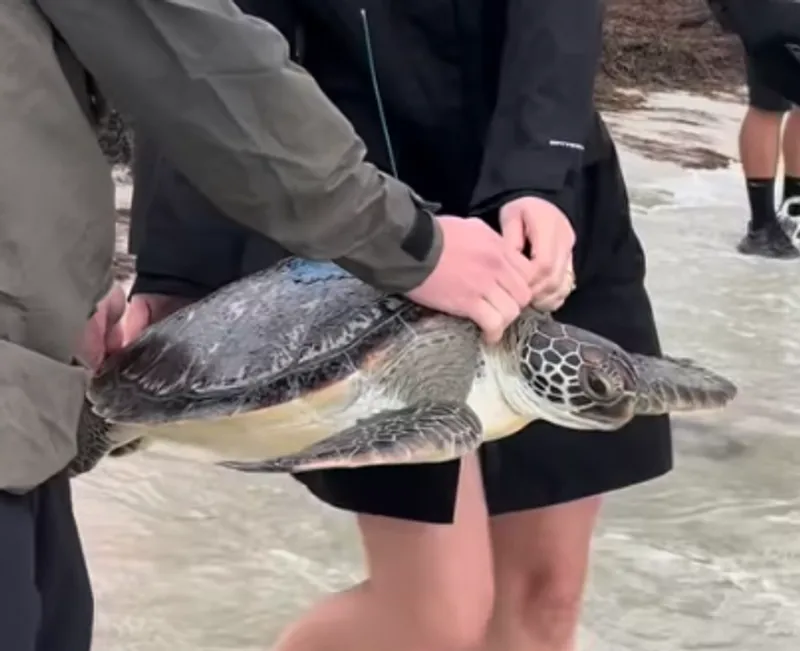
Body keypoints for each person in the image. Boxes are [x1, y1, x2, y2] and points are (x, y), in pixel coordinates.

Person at [122, 2, 672, 651]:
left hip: (544, 212)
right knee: (435, 618)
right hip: (360, 225)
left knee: (544, 594)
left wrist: (537, 176)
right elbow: (203, 39)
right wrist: (177, 272)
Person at [0, 0, 548, 649]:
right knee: (439, 608)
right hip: (22, 388)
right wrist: (407, 239)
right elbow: (194, 62)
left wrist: (65, 287)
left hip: (32, 383)